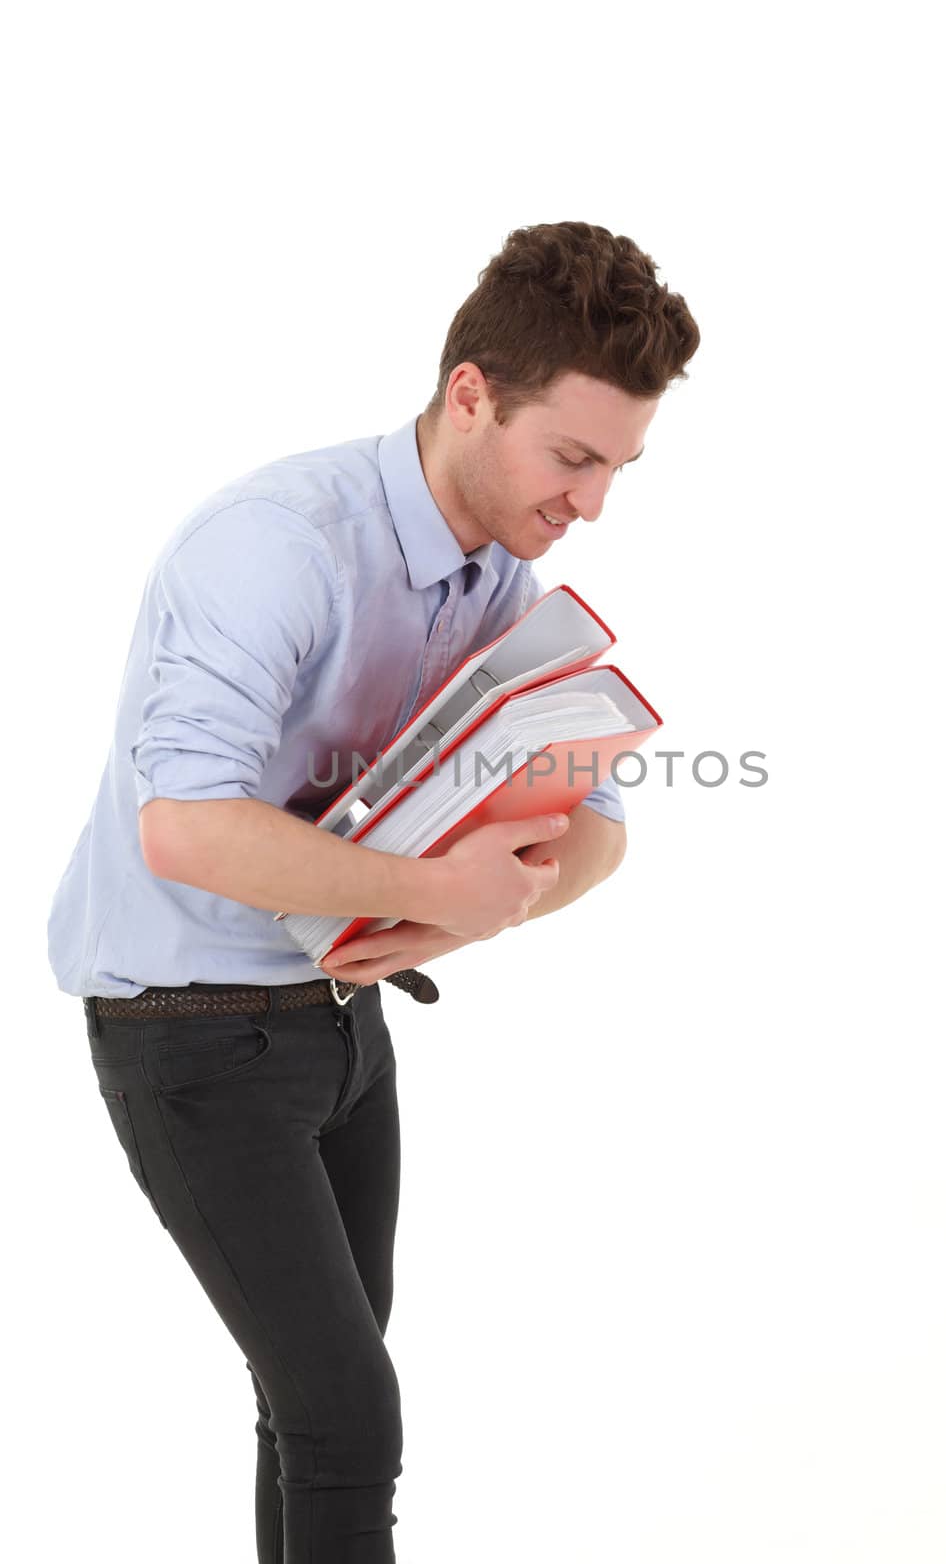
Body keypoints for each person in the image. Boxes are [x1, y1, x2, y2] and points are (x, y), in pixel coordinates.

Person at [47, 219, 700, 1562]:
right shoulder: (280, 543)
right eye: (572, 457)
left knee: (314, 1408)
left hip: (343, 1027)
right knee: (349, 1412)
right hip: (190, 1033)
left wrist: (490, 899)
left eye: (619, 467)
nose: (593, 506)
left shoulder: (504, 584)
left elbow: (603, 819)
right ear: (471, 394)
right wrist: (431, 885)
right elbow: (183, 826)